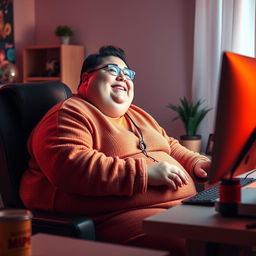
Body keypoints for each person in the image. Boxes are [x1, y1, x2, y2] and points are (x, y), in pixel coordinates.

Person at [20, 45, 211, 256]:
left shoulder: (137, 114)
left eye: (128, 73)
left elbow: (170, 145)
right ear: (86, 80)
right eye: (112, 70)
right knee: (194, 243)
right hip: (115, 218)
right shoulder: (71, 113)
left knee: (232, 228)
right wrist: (145, 174)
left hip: (180, 208)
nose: (122, 77)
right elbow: (70, 166)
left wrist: (196, 162)